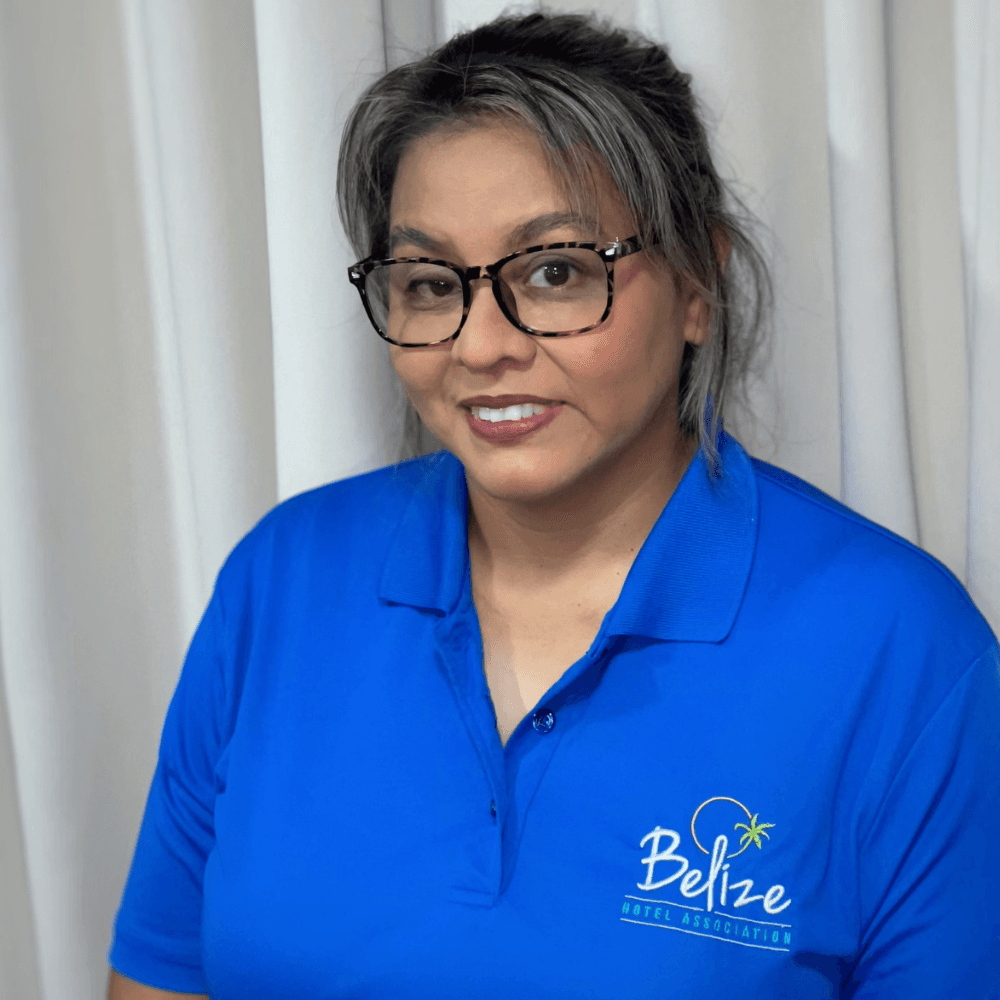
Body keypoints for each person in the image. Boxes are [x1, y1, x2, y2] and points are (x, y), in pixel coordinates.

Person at [107, 12, 1000, 1000]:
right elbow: (159, 979)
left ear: (698, 282)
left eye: (556, 270)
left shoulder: (897, 646)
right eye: (428, 281)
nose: (481, 344)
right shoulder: (282, 580)